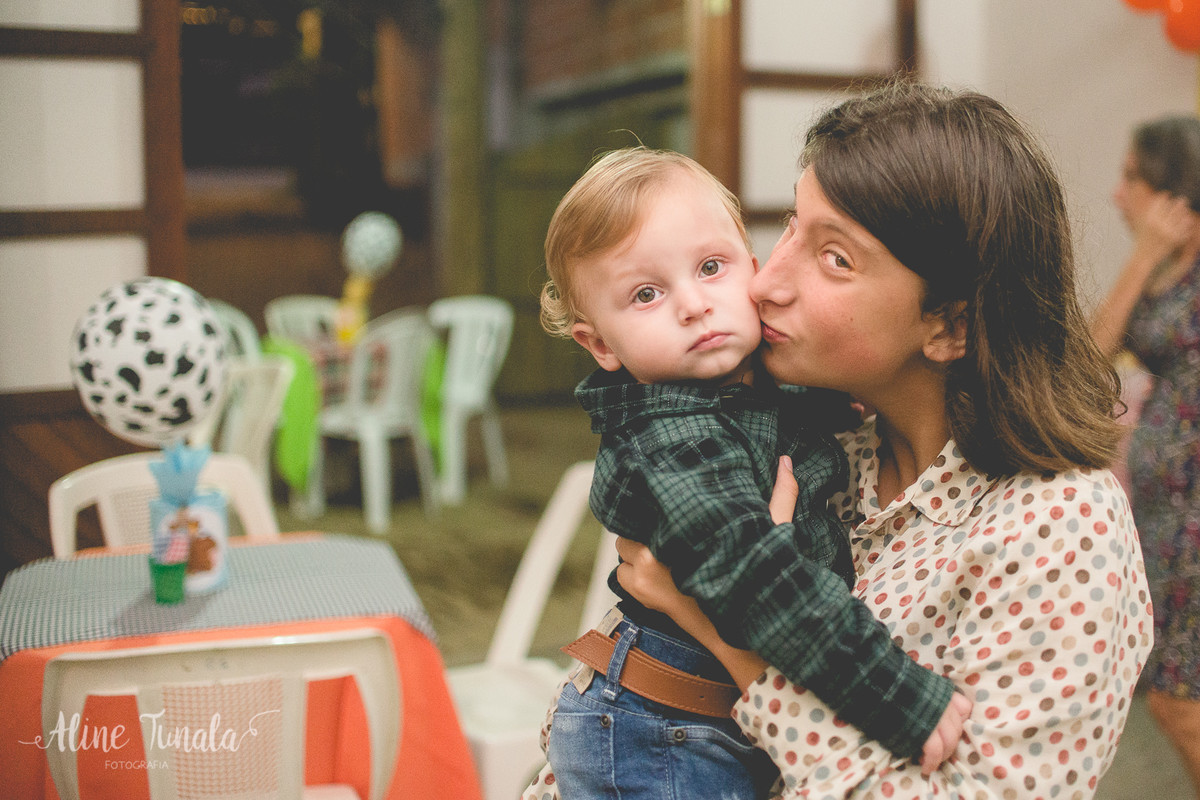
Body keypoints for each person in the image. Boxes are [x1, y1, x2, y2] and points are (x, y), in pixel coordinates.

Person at [585, 81, 1154, 799]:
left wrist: (735, 642)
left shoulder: (1060, 527)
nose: (766, 284)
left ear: (950, 326)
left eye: (835, 259)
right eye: (792, 224)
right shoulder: (815, 442)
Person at [528, 146, 970, 799]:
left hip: (710, 725)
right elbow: (752, 572)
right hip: (659, 736)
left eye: (711, 268)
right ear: (599, 343)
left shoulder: (747, 387)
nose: (693, 305)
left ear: (751, 272)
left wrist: (829, 399)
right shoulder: (671, 436)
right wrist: (893, 693)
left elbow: (769, 416)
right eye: (646, 294)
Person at [1091, 115, 1200, 796]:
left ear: (1169, 189)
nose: (1116, 193)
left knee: (1178, 700)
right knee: (1175, 697)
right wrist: (1144, 254)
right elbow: (1091, 356)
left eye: (1130, 176)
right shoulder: (1161, 269)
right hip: (1167, 515)